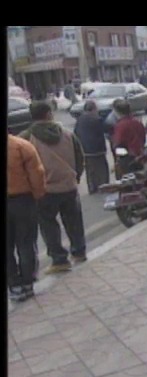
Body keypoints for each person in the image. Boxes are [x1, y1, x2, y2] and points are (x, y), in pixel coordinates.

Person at [19, 101, 87, 274]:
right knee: (74, 221)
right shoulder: (67, 134)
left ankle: (59, 259)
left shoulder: (26, 137)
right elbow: (80, 158)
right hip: (68, 185)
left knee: (48, 225)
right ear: (49, 113)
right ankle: (79, 252)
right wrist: (76, 176)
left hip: (45, 190)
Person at [7, 134, 47, 302]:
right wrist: (38, 195)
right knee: (25, 242)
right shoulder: (21, 146)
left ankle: (14, 284)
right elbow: (37, 173)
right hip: (22, 199)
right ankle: (27, 283)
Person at [74, 100, 109, 194]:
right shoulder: (97, 119)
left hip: (85, 149)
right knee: (101, 168)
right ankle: (103, 186)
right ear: (94, 109)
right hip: (97, 149)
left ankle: (92, 187)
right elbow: (105, 129)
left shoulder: (80, 119)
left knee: (90, 169)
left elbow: (76, 133)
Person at [111, 100, 146, 176]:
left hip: (127, 160)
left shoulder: (120, 126)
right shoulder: (137, 122)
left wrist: (118, 160)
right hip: (140, 156)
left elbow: (118, 144)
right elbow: (143, 138)